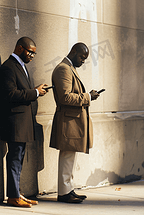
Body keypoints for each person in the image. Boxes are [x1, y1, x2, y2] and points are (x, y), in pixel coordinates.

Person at [0, 37, 48, 208]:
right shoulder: (8, 68)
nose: (32, 56)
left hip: (22, 123)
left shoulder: (20, 66)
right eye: (30, 52)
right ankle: (13, 196)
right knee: (14, 159)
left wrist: (36, 91)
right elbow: (10, 94)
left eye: (34, 53)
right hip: (15, 122)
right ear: (19, 48)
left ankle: (16, 193)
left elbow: (22, 91)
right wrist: (34, 92)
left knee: (18, 158)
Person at [49, 42, 100, 203]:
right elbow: (65, 97)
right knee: (67, 156)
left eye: (85, 59)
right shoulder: (63, 68)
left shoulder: (69, 68)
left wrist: (88, 96)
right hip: (68, 121)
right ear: (73, 52)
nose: (83, 61)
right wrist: (88, 97)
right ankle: (64, 193)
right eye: (82, 57)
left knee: (70, 156)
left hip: (72, 121)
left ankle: (68, 189)